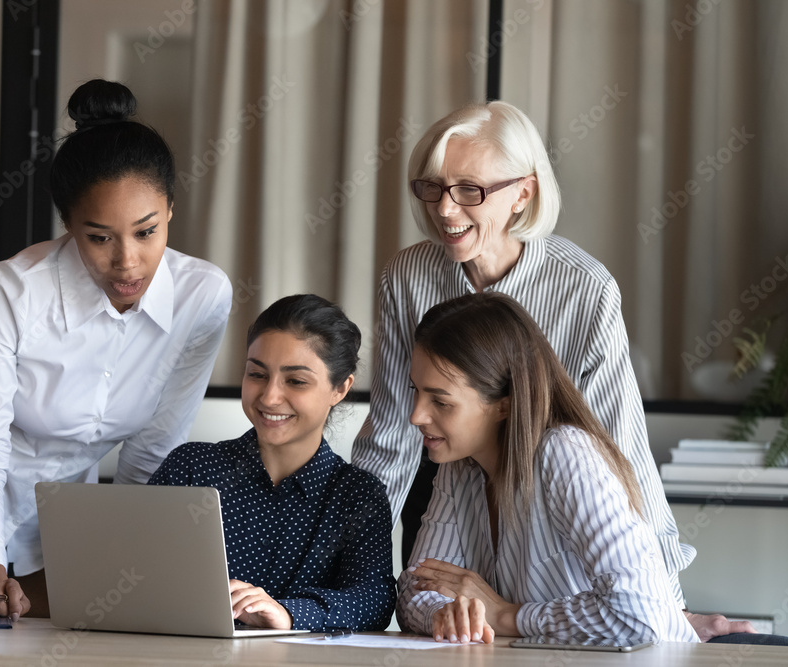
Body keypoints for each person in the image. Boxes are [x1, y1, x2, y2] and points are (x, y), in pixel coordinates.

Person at [350, 100, 751, 640]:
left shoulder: (584, 288)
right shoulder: (409, 275)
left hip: (563, 503)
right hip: (452, 467)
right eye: (434, 187)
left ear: (524, 191)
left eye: (470, 189)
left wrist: (665, 606)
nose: (445, 210)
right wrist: (354, 575)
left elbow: (620, 447)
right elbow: (394, 432)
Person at [0, 80, 233, 621]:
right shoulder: (14, 291)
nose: (128, 262)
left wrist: (117, 552)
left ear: (170, 208)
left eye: (146, 232)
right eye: (99, 237)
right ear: (69, 226)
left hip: (59, 521)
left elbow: (153, 447)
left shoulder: (203, 297)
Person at [397, 292, 700, 644]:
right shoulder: (459, 463)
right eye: (415, 391)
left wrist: (505, 614)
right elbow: (413, 591)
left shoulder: (566, 454)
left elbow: (638, 617)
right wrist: (446, 614)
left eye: (440, 401)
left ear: (504, 405)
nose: (416, 415)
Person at [148, 295, 396, 632]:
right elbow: (136, 574)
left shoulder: (357, 494)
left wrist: (288, 614)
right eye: (257, 375)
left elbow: (374, 600)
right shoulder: (192, 468)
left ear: (340, 388)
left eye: (295, 381)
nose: (269, 397)